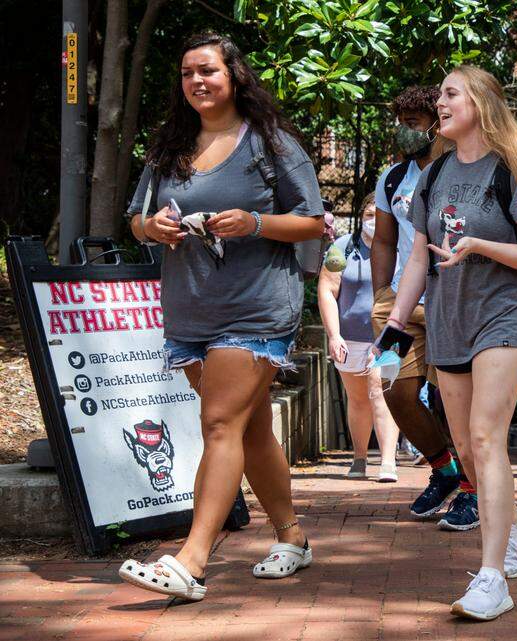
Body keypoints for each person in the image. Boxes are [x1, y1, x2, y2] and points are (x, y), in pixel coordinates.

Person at [118, 33, 324, 601]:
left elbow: (314, 222)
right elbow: (135, 218)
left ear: (233, 76)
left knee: (219, 424)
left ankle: (192, 559)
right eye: (187, 73)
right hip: (191, 308)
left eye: (207, 70)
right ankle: (293, 537)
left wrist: (255, 224)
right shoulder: (169, 147)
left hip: (256, 305)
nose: (196, 82)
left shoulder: (270, 143)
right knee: (250, 428)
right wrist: (150, 228)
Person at [381, 65, 517, 620]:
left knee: (484, 436)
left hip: (502, 317)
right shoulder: (430, 177)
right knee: (469, 452)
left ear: (480, 102)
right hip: (447, 322)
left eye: (450, 94)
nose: (440, 103)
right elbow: (415, 257)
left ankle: (491, 579)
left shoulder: (514, 172)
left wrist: (482, 244)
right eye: (439, 96)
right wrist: (392, 327)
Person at [372, 85, 479, 530]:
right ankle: (444, 469)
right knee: (394, 388)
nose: (404, 131)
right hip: (401, 303)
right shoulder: (392, 178)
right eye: (400, 122)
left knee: (452, 398)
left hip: (454, 302)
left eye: (413, 123)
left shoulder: (462, 170)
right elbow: (383, 239)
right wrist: (382, 294)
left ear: (436, 123)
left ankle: (473, 490)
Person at [317, 194, 399, 481]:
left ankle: (388, 461)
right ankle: (360, 457)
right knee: (358, 400)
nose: (373, 220)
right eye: (368, 214)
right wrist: (333, 334)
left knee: (381, 391)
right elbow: (327, 289)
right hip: (350, 337)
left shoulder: (400, 249)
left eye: (378, 214)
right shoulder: (342, 248)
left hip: (389, 335)